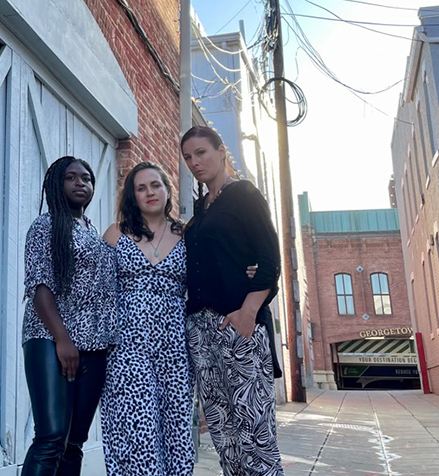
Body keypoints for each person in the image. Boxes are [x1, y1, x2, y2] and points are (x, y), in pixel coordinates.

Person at [181, 126, 284, 476]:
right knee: (223, 432)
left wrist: (248, 313)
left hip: (237, 323)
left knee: (254, 431)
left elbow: (270, 261)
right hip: (200, 330)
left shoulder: (243, 194)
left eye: (201, 153)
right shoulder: (202, 207)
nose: (195, 162)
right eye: (188, 157)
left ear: (221, 151)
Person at [21, 155, 118, 476]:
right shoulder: (45, 226)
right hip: (51, 340)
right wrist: (62, 340)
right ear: (55, 184)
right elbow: (39, 285)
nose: (81, 183)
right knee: (51, 437)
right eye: (71, 177)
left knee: (74, 442)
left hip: (94, 348)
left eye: (87, 178)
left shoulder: (92, 232)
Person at [100, 162, 195, 475]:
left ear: (167, 189)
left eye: (155, 185)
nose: (149, 192)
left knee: (177, 430)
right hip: (128, 349)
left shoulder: (187, 235)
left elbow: (212, 279)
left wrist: (249, 272)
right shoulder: (116, 234)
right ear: (132, 196)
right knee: (135, 430)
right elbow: (96, 290)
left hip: (175, 350)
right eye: (141, 188)